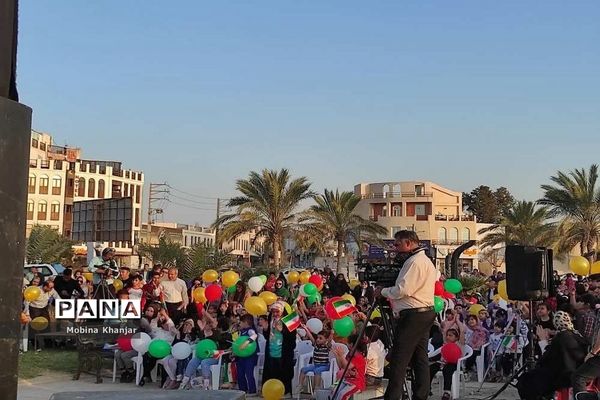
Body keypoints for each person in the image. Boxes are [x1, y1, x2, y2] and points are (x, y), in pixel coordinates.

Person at [375, 230, 437, 400]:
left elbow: (404, 289)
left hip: (414, 315)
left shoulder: (416, 262)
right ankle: (421, 395)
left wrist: (383, 292)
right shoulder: (423, 260)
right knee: (419, 358)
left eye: (398, 244)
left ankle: (393, 396)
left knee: (399, 358)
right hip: (422, 313)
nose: (395, 248)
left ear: (408, 243)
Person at [517, 311, 588, 400]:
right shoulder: (578, 335)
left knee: (525, 381)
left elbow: (546, 358)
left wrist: (542, 340)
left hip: (562, 377)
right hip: (574, 372)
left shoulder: (560, 337)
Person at [262, 301, 296, 395]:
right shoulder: (270, 319)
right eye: (273, 312)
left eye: (277, 311)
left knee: (283, 371)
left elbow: (292, 339)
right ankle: (270, 390)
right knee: (271, 370)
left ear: (282, 311)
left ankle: (284, 391)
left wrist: (282, 331)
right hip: (271, 349)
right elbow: (267, 336)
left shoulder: (288, 320)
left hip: (283, 352)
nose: (275, 314)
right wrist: (265, 329)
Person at [330, 334, 367, 400]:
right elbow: (341, 367)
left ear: (352, 344)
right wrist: (337, 356)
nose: (346, 344)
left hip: (357, 383)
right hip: (346, 380)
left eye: (348, 342)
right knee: (333, 392)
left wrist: (341, 356)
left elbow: (347, 366)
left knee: (342, 395)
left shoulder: (359, 357)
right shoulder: (349, 354)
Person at [235, 314, 259, 395]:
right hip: (241, 356)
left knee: (249, 373)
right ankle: (243, 390)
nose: (240, 324)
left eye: (241, 322)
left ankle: (252, 390)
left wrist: (247, 342)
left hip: (250, 356)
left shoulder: (250, 330)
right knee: (240, 373)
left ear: (246, 322)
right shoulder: (241, 332)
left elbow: (254, 336)